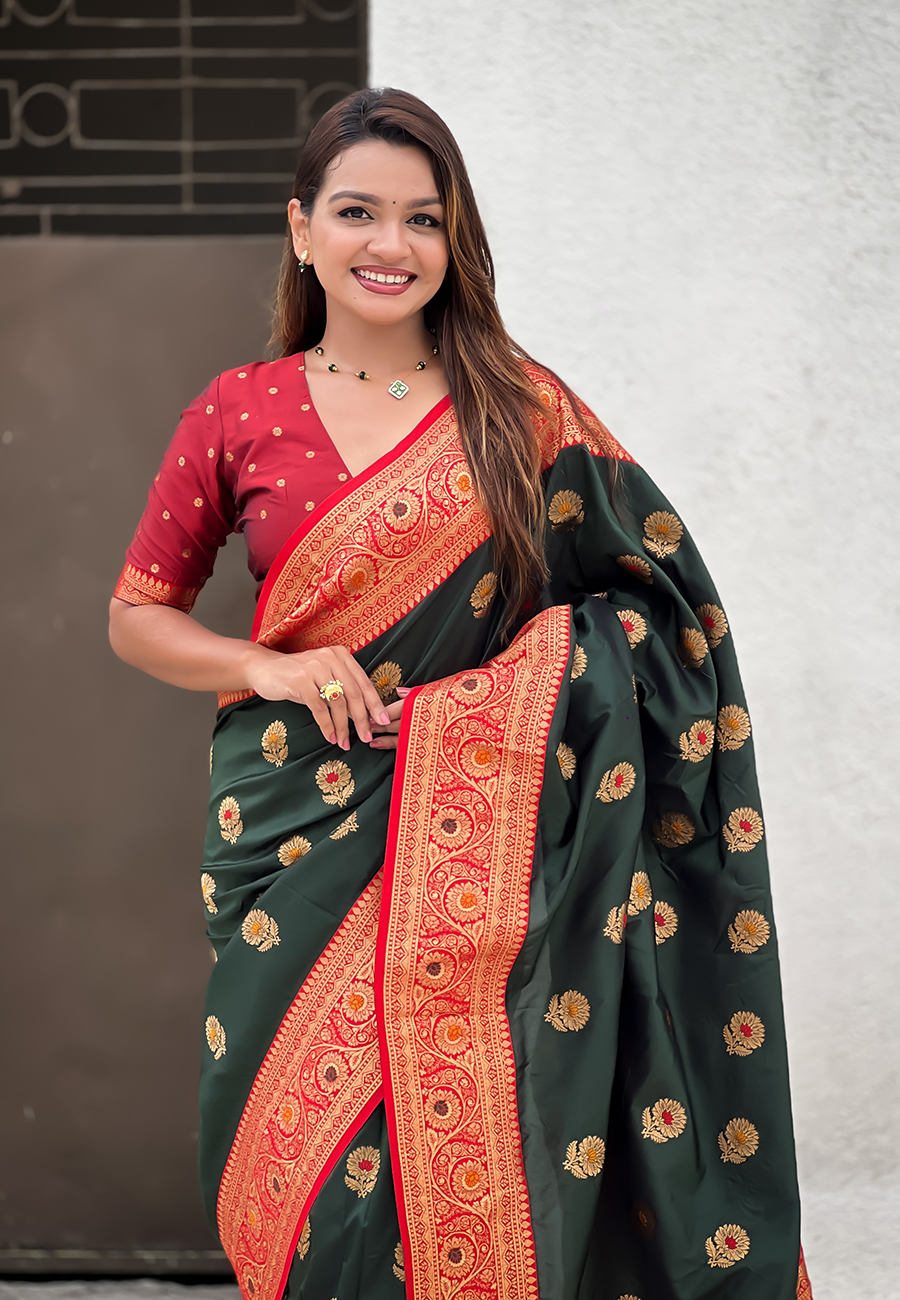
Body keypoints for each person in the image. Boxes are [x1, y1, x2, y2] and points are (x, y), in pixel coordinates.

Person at [109, 87, 812, 1300]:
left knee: (499, 1135)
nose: (391, 244)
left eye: (423, 218)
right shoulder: (240, 407)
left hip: (492, 838)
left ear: (454, 238)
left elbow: (663, 613)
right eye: (357, 212)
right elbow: (138, 613)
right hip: (292, 834)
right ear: (301, 228)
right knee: (301, 1173)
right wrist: (267, 665)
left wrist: (512, 703)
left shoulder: (520, 410)